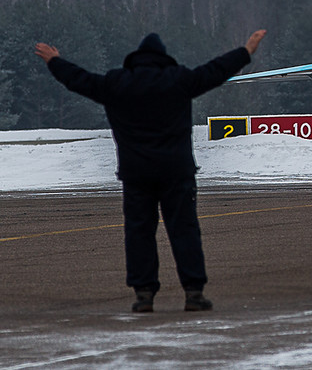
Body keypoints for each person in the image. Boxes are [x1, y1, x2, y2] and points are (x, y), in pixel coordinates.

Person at [34, 30, 267, 313]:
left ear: (135, 60)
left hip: (136, 174)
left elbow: (79, 79)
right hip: (176, 172)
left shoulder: (116, 83)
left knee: (139, 232)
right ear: (163, 58)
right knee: (184, 231)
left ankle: (144, 294)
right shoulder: (178, 80)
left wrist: (55, 61)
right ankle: (193, 292)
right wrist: (246, 51)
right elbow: (214, 71)